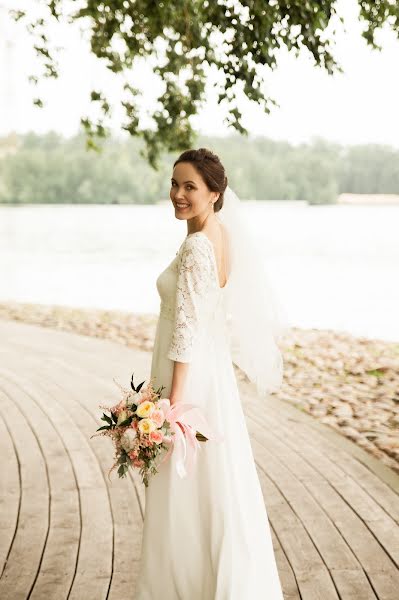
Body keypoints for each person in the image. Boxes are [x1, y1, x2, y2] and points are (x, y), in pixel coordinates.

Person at [135, 148, 286, 599]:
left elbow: (185, 331)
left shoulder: (199, 246)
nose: (177, 194)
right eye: (175, 184)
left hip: (190, 380)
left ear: (214, 194)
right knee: (216, 489)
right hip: (211, 376)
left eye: (190, 187)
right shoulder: (218, 236)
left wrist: (171, 408)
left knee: (187, 492)